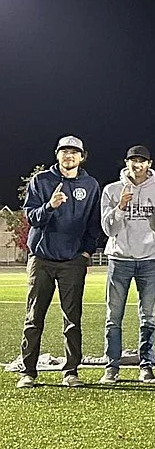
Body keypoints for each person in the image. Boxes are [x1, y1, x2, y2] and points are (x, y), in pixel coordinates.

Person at [17, 135, 102, 389]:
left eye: (74, 152)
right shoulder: (40, 180)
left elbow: (94, 223)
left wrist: (86, 252)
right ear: (57, 154)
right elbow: (31, 216)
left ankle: (71, 371)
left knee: (73, 318)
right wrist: (50, 206)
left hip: (72, 261)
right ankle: (29, 371)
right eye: (65, 151)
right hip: (42, 259)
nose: (69, 156)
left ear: (82, 156)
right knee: (34, 317)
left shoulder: (90, 184)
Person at [99, 145, 155, 384]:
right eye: (133, 161)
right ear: (126, 162)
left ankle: (146, 366)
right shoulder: (112, 189)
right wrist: (120, 207)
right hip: (120, 260)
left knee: (148, 316)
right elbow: (108, 229)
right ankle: (112, 367)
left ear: (149, 164)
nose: (137, 165)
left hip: (149, 261)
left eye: (142, 161)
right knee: (113, 317)